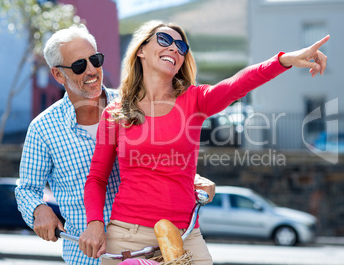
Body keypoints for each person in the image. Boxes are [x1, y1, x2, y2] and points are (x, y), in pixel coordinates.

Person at [80, 20, 329, 265]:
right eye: (165, 40)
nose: (174, 49)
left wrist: (283, 60)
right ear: (142, 50)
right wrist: (94, 223)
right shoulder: (115, 112)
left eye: (181, 47)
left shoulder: (195, 100)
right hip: (127, 236)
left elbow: (238, 83)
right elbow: (97, 179)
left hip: (185, 236)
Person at [15, 24, 215, 265]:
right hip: (87, 257)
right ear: (58, 74)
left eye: (95, 60)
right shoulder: (43, 128)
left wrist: (192, 179)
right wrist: (38, 209)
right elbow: (26, 188)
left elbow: (163, 160)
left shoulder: (133, 105)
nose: (92, 71)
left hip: (150, 248)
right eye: (80, 65)